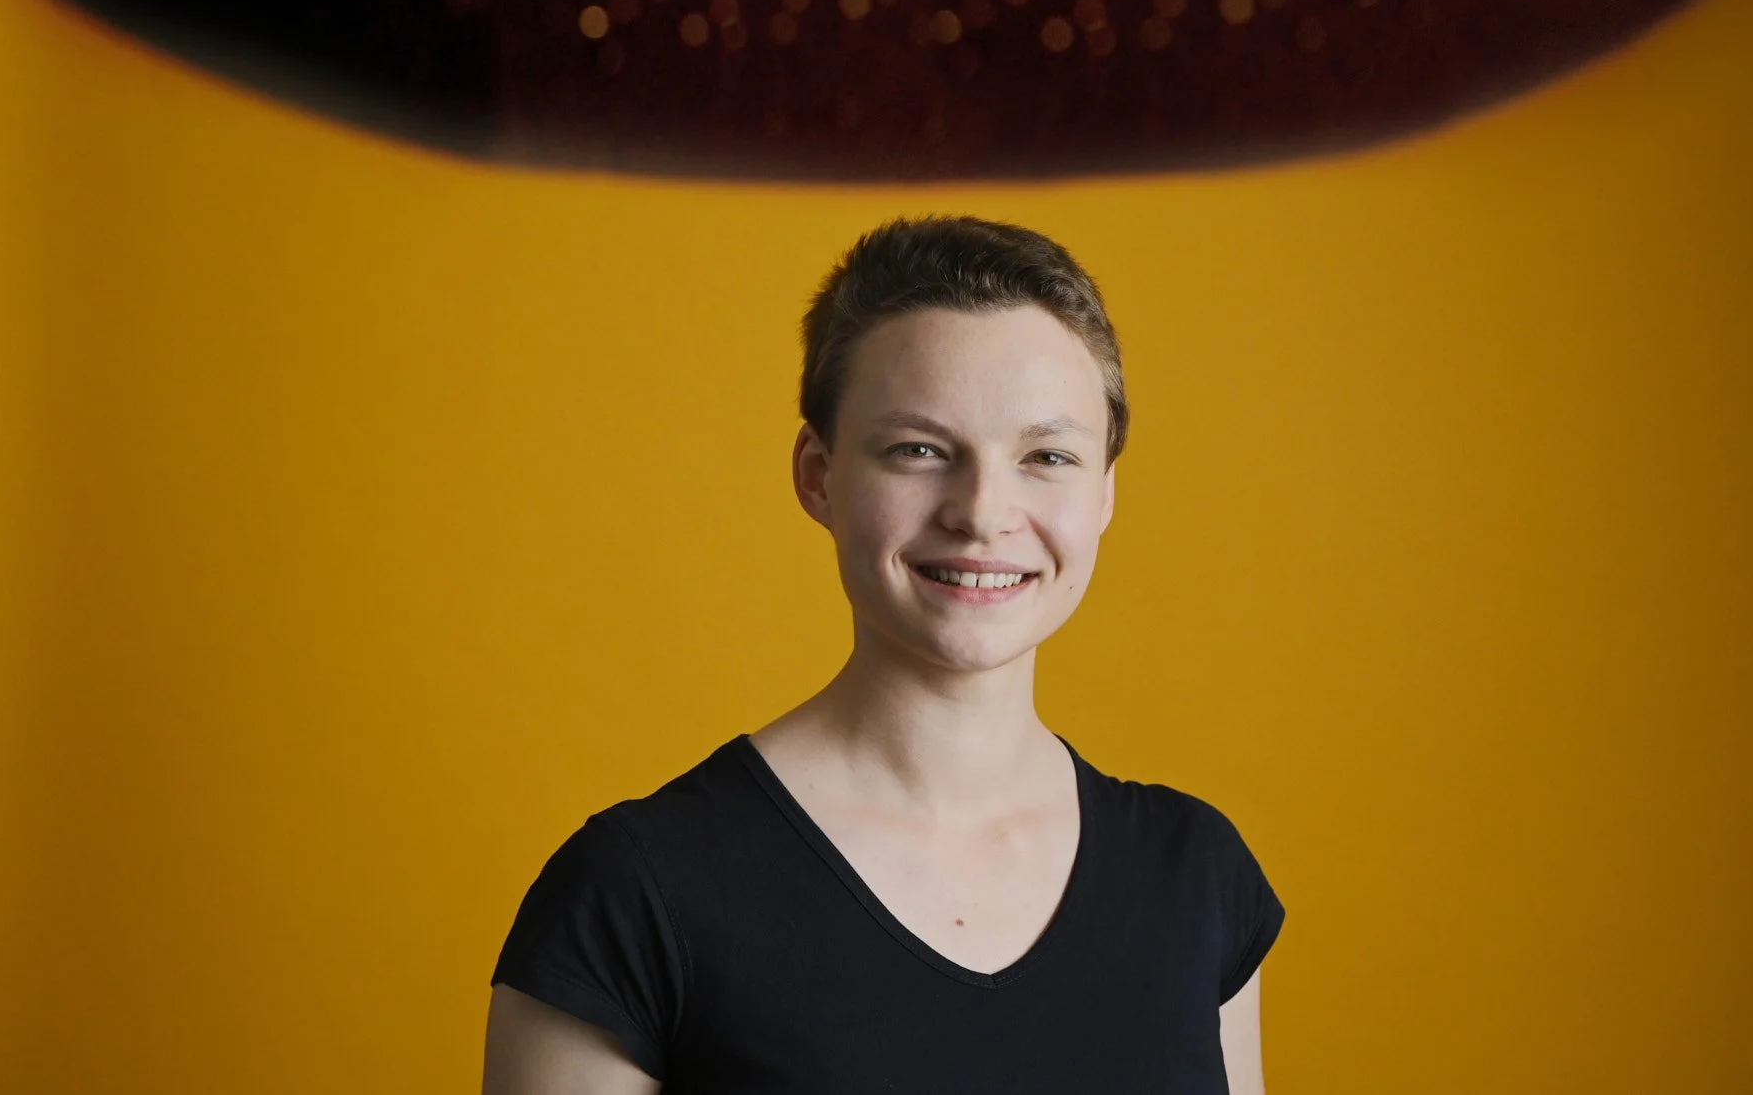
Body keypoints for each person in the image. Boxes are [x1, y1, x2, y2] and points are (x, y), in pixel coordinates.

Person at [481, 215, 1284, 1093]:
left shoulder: (1198, 879)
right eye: (919, 450)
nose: (982, 512)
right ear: (818, 475)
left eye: (1047, 456)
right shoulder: (631, 894)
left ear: (1104, 495)